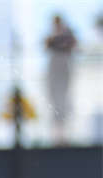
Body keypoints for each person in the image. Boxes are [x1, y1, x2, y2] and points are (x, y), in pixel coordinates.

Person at [44, 13, 78, 141]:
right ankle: (57, 134)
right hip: (55, 71)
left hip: (64, 69)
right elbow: (47, 46)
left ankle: (66, 133)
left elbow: (72, 45)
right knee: (54, 100)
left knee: (65, 100)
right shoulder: (51, 37)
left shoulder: (67, 35)